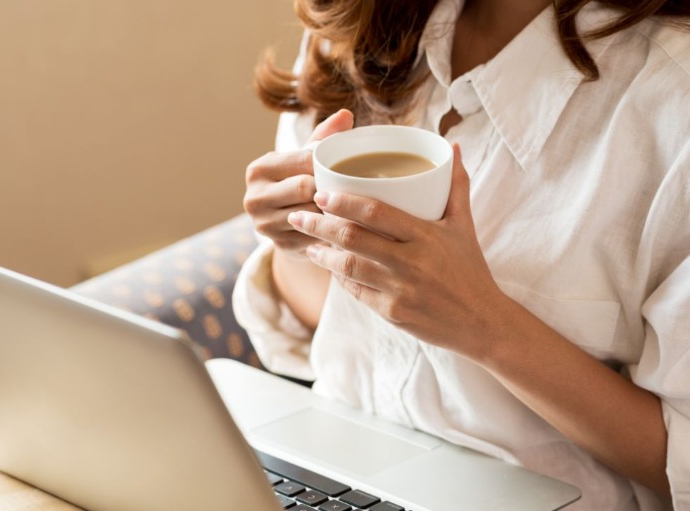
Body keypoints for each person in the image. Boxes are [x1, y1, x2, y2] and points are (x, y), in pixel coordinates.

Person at [232, 0, 690, 509]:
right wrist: (298, 237)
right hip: (333, 472)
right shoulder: (356, 25)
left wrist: (483, 324)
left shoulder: (672, 100)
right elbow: (331, 324)